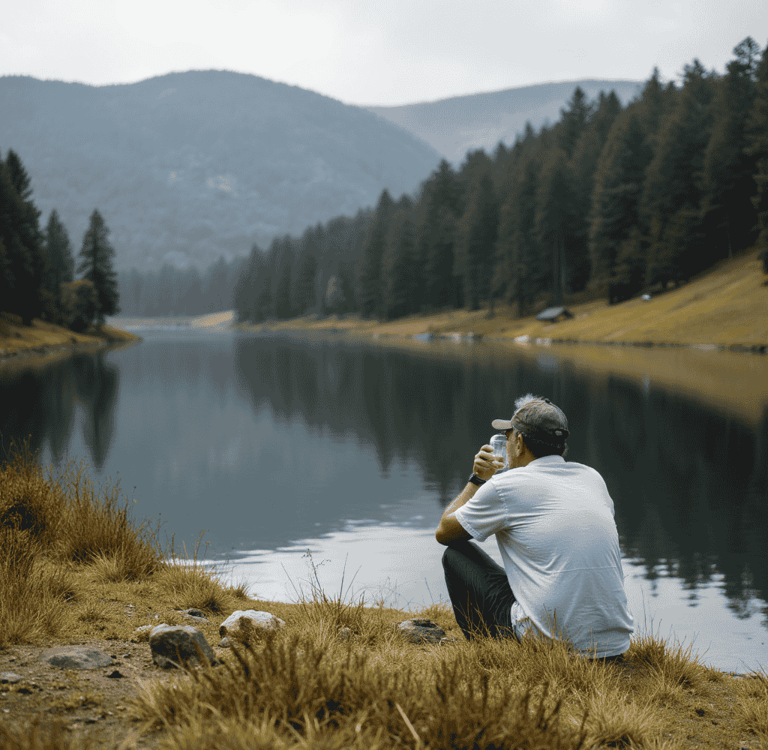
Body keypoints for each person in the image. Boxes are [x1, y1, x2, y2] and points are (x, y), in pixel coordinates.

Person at [435, 394, 633, 659]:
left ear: (518, 442)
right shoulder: (592, 478)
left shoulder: (505, 487)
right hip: (613, 645)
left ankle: (488, 655)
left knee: (456, 554)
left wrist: (477, 480)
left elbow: (445, 532)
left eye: (508, 436)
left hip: (549, 645)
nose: (505, 443)